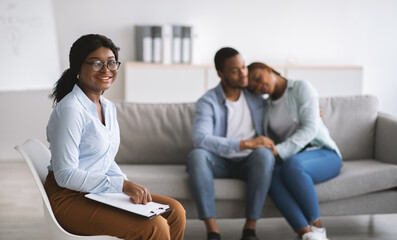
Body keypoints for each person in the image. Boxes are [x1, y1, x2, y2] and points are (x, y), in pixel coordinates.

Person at [45, 34, 186, 240]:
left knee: (175, 212)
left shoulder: (108, 107)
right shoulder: (70, 110)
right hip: (69, 198)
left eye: (111, 63)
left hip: (97, 192)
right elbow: (65, 175)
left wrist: (125, 185)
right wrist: (121, 186)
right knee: (155, 227)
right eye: (96, 63)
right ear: (78, 68)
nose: (106, 70)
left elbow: (105, 160)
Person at [186, 47, 275, 240]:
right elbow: (201, 139)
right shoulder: (208, 101)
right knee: (197, 155)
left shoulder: (256, 96)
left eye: (244, 67)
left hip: (250, 162)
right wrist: (245, 144)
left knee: (264, 154)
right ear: (221, 74)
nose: (244, 73)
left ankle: (250, 230)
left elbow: (281, 104)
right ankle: (213, 231)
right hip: (219, 161)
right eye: (235, 70)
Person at [247, 62, 343, 240]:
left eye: (258, 79)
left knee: (294, 165)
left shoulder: (301, 87)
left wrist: (279, 151)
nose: (259, 87)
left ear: (268, 69)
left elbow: (310, 128)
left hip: (323, 153)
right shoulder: (266, 106)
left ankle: (318, 229)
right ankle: (306, 234)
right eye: (254, 88)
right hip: (293, 157)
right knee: (272, 175)